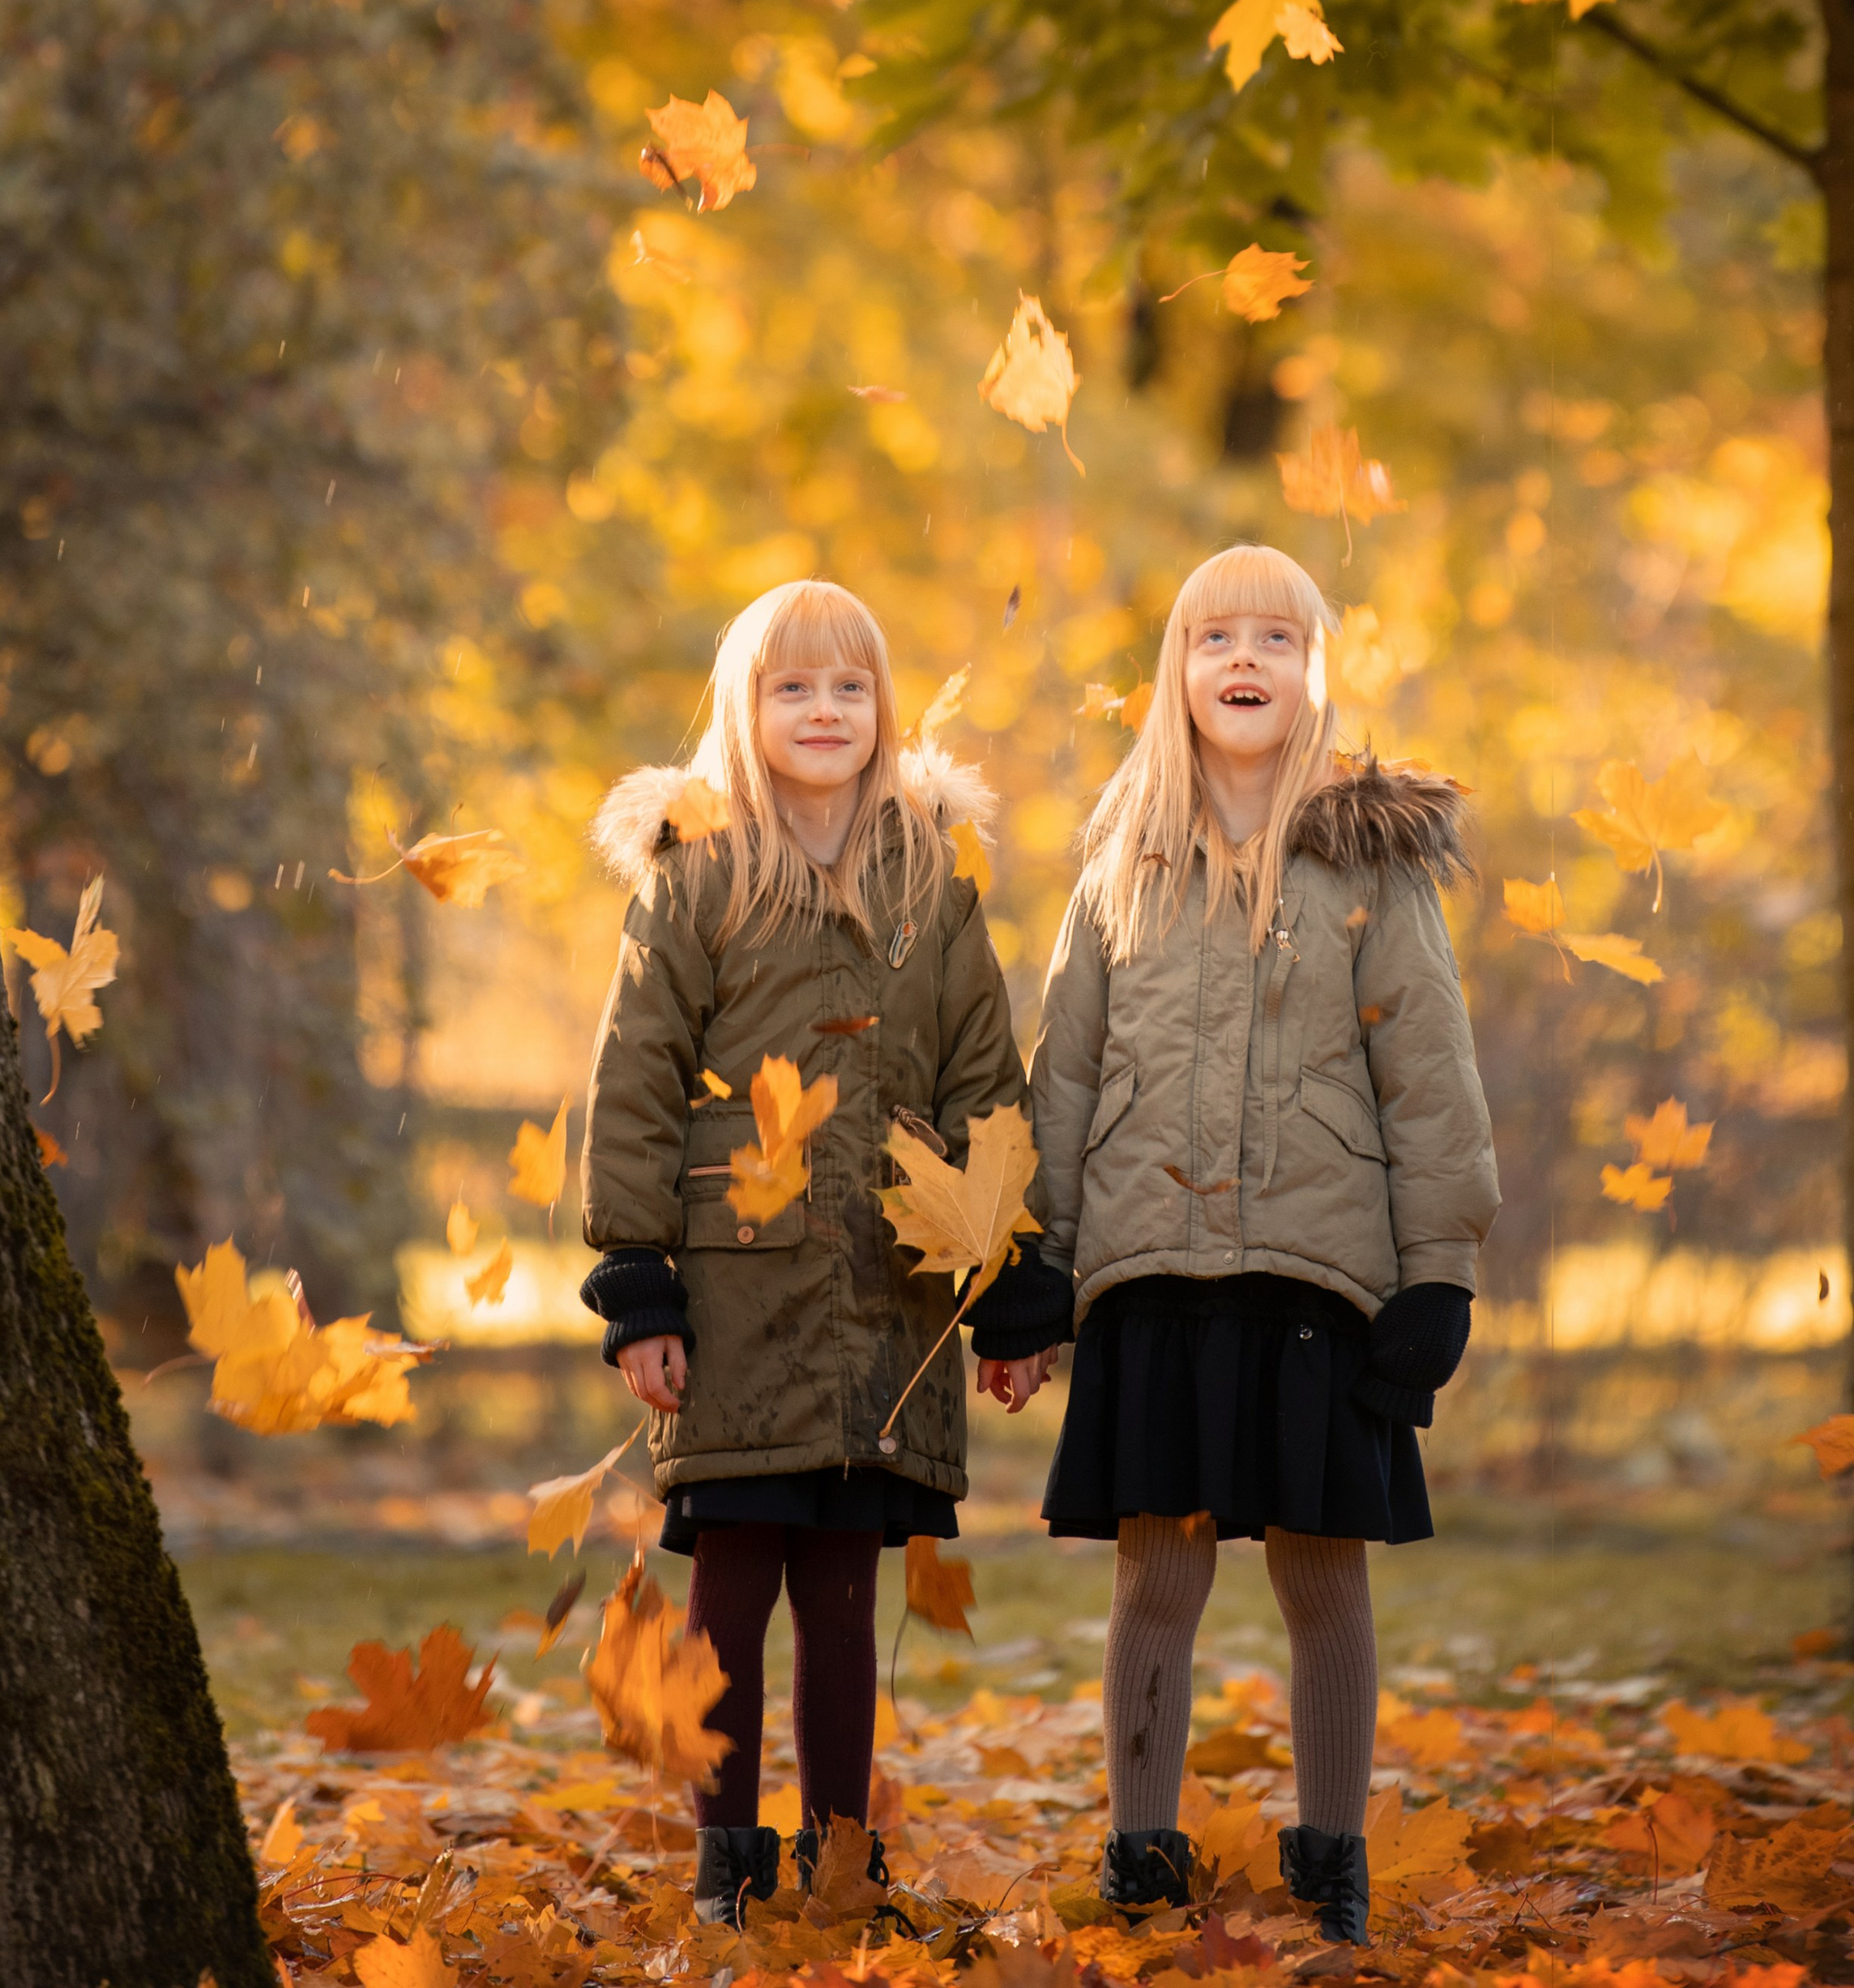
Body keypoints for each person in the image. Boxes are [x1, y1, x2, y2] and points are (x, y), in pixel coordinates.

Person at [1008, 544, 1498, 1944]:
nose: (1244, 659)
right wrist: (1039, 1259)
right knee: (1158, 1569)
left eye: (1276, 638)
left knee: (1321, 1566)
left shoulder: (1370, 865)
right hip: (1151, 1268)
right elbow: (1066, 1076)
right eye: (1215, 635)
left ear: (1313, 672)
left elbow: (1430, 1077)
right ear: (1177, 670)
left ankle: (1331, 1864)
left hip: (1316, 1272)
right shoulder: (1121, 866)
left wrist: (1439, 1268)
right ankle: (1142, 1855)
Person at [577, 579, 1068, 1927]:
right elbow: (634, 1079)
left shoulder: (929, 880)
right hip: (736, 1288)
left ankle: (840, 1856)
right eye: (793, 686)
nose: (824, 709)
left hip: (883, 1294)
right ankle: (727, 1862)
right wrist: (639, 1284)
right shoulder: (699, 873)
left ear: (882, 708)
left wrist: (1009, 1283)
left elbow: (984, 1079)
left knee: (846, 1594)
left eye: (850, 686)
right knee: (734, 1580)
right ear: (746, 708)